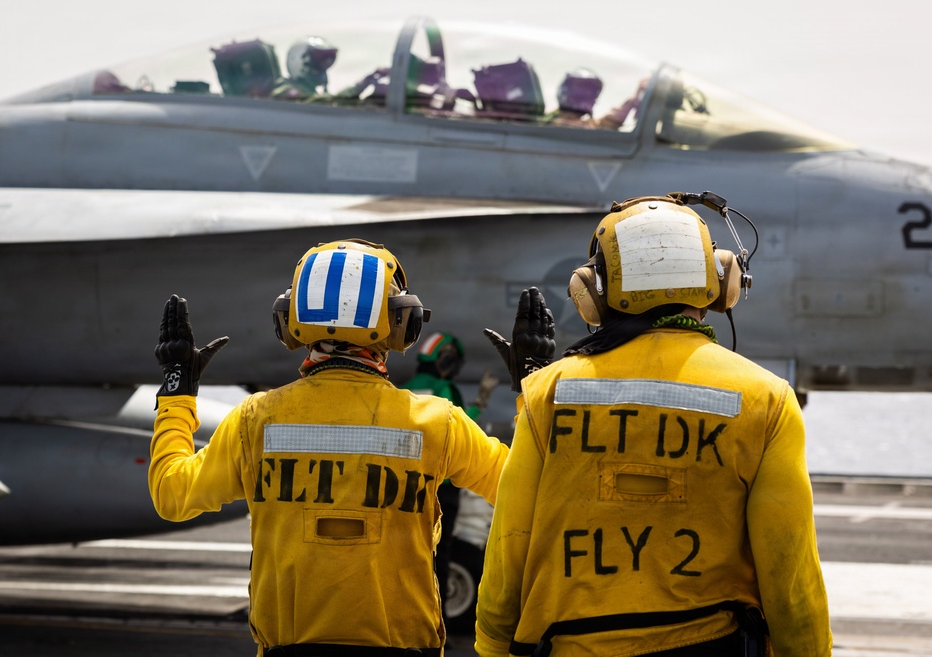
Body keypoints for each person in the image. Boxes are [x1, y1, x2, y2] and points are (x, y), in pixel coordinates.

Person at [475, 195, 832, 656]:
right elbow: (790, 569)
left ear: (590, 292)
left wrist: (491, 645)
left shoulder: (546, 392)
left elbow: (510, 544)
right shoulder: (766, 400)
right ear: (721, 282)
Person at [148, 238, 509, 655]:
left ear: (289, 320)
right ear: (401, 322)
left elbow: (171, 494)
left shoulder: (255, 420)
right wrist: (530, 388)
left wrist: (178, 392)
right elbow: (522, 489)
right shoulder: (437, 422)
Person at [401, 332, 500, 630]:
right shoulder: (445, 388)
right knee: (438, 557)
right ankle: (435, 624)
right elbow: (459, 428)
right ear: (445, 361)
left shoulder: (403, 390)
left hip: (408, 483)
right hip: (441, 488)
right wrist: (481, 400)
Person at [272, 36, 340, 100]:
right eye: (315, 69)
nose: (320, 74)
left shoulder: (310, 93)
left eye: (322, 69)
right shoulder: (287, 91)